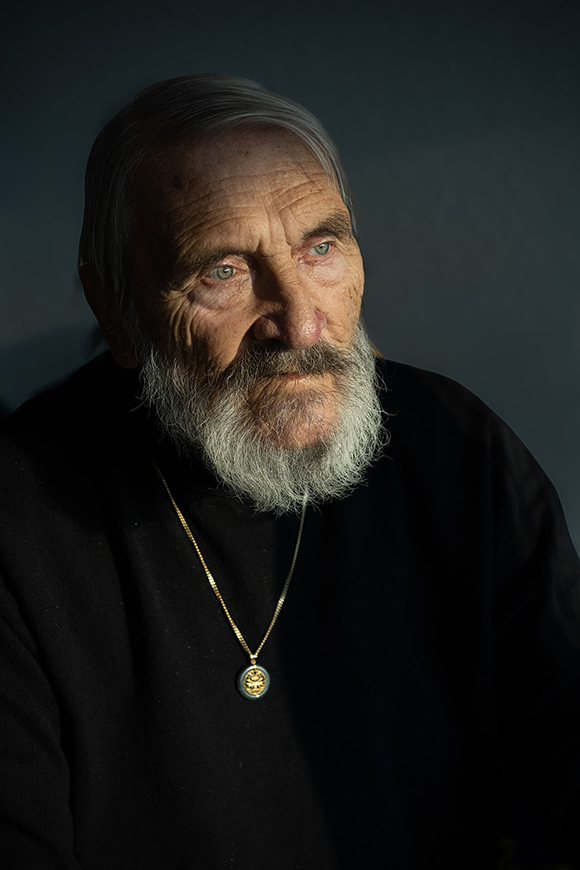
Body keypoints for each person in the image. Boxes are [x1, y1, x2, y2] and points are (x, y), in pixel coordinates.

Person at [0, 74, 579, 870]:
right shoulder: (19, 518)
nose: (301, 323)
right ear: (115, 310)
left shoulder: (457, 450)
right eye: (223, 271)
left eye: (321, 248)